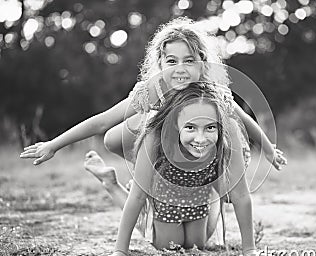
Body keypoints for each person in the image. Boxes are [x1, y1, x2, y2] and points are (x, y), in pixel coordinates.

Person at [20, 17, 286, 171]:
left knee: (223, 187)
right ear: (161, 62)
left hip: (212, 150)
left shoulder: (211, 88)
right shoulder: (155, 88)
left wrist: (269, 149)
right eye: (172, 61)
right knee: (114, 137)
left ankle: (203, 187)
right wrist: (53, 145)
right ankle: (158, 174)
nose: (180, 69)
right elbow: (102, 121)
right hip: (172, 143)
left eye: (189, 60)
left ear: (203, 62)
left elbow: (243, 118)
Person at [92, 82, 267, 256]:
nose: (201, 139)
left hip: (199, 195)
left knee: (196, 245)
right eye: (190, 127)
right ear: (175, 124)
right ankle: (111, 185)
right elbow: (137, 197)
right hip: (164, 196)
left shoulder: (228, 131)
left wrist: (249, 249)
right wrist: (120, 251)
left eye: (210, 128)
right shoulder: (155, 136)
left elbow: (241, 195)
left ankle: (215, 193)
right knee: (167, 246)